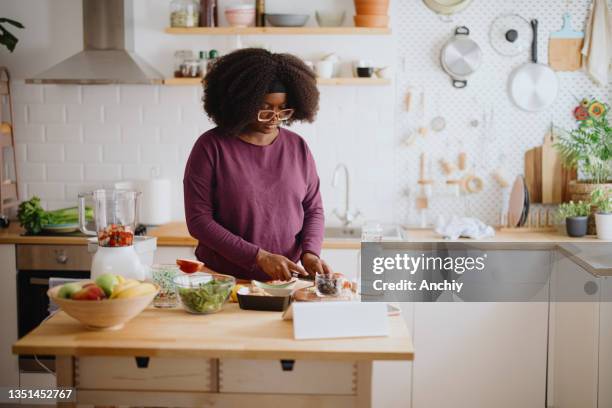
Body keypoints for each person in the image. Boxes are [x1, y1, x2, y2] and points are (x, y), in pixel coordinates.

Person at [184, 48, 332, 281]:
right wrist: (258, 257)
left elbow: (313, 209)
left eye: (282, 109)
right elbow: (199, 221)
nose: (274, 118)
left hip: (283, 280)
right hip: (223, 280)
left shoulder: (298, 147)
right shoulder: (211, 147)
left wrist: (310, 253)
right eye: (264, 109)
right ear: (242, 103)